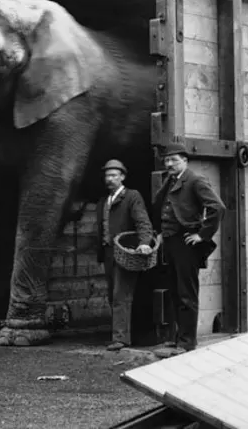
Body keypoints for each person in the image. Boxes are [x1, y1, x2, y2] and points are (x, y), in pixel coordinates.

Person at [152, 143, 226, 353]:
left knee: (187, 294)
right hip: (171, 243)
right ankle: (178, 338)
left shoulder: (195, 180)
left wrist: (202, 235)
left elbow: (217, 207)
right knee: (175, 292)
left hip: (186, 244)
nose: (169, 164)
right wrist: (159, 232)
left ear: (185, 161)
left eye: (174, 160)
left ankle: (187, 342)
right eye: (167, 160)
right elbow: (162, 206)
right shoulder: (170, 180)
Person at [96, 159, 154, 351]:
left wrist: (144, 243)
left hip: (126, 252)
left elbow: (143, 222)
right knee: (113, 296)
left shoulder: (132, 196)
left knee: (122, 295)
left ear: (122, 177)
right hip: (108, 253)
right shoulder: (104, 201)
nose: (110, 179)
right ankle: (123, 335)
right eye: (107, 175)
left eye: (114, 175)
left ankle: (121, 339)